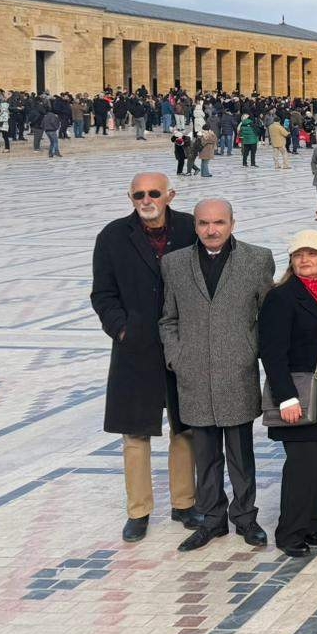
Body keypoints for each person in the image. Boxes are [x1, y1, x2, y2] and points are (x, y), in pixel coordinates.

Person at [158, 198, 276, 551]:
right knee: (205, 454)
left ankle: (245, 517)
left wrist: (249, 350)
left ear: (232, 224)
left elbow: (267, 315)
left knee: (241, 453)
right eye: (204, 223)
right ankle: (212, 520)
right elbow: (169, 318)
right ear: (195, 226)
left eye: (219, 222)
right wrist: (177, 357)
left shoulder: (257, 259)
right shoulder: (174, 263)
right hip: (193, 374)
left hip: (236, 372)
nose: (212, 230)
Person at [90, 172, 199, 543]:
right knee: (135, 432)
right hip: (135, 347)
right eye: (139, 194)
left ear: (170, 195)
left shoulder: (190, 228)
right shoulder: (113, 236)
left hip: (181, 343)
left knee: (185, 427)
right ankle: (138, 511)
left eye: (154, 193)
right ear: (131, 197)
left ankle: (184, 503)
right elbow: (103, 294)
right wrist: (122, 329)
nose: (147, 200)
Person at [259, 229, 317, 556]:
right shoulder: (281, 297)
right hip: (298, 396)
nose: (305, 260)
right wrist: (286, 398)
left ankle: (310, 526)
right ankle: (290, 534)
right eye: (299, 255)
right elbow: (272, 352)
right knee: (302, 468)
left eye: (312, 254)